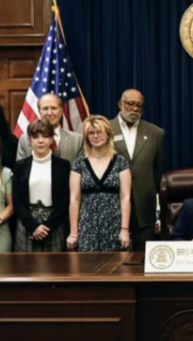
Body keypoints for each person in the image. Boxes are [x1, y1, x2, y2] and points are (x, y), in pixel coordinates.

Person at [67, 115, 132, 252]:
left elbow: (125, 197)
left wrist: (124, 229)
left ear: (108, 135)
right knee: (87, 268)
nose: (95, 136)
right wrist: (74, 233)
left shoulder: (120, 162)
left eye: (99, 132)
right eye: (91, 133)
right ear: (86, 137)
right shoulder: (79, 163)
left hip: (114, 223)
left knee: (117, 268)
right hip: (87, 225)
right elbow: (74, 199)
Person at [111, 89, 165, 252]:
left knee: (143, 261)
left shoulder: (156, 133)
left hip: (144, 207)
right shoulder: (104, 129)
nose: (135, 108)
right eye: (130, 104)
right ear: (120, 104)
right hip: (113, 205)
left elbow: (157, 171)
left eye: (139, 105)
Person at [13, 120, 71, 252]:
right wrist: (33, 226)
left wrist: (47, 226)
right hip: (27, 221)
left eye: (45, 136)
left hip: (54, 222)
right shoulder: (20, 166)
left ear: (52, 139)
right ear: (29, 140)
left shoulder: (63, 165)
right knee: (26, 268)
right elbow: (17, 199)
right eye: (36, 137)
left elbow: (65, 200)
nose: (40, 141)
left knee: (54, 268)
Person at [17, 92, 84, 163]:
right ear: (39, 111)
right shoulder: (25, 139)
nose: (49, 113)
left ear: (61, 111)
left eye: (53, 108)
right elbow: (20, 170)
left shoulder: (77, 140)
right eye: (45, 108)